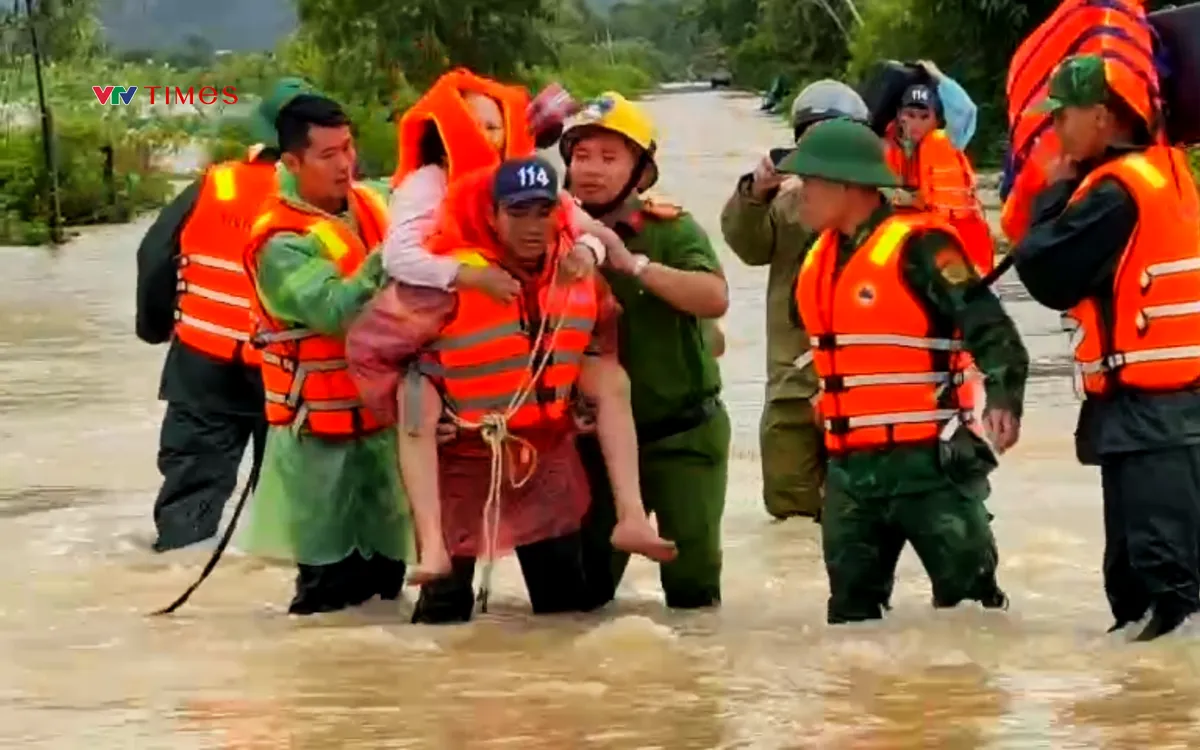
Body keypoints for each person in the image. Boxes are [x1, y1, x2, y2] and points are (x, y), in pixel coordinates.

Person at [346, 156, 676, 623]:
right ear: (493, 215)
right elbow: (370, 348)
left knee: (563, 611)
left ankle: (632, 518)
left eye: (542, 212)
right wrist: (403, 413)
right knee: (443, 612)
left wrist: (579, 400)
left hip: (541, 462)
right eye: (517, 213)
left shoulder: (579, 271)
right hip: (460, 460)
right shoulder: (446, 279)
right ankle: (434, 549)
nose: (532, 226)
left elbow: (602, 333)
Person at [780, 118, 1028, 624]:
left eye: (810, 182)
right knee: (851, 622)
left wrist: (1004, 397)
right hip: (851, 472)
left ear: (848, 186)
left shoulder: (925, 248)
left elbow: (991, 329)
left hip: (931, 464)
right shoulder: (819, 258)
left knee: (972, 614)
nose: (799, 194)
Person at [1010, 54, 1200, 642]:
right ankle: (1145, 722)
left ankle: (1164, 724)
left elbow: (1044, 270)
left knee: (1165, 598)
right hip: (1162, 415)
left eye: (1061, 116)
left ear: (1101, 117)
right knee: (1146, 598)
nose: (1054, 131)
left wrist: (1056, 190)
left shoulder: (1114, 193)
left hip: (1153, 422)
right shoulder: (1166, 169)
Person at [239, 92, 413, 615]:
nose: (345, 164)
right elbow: (335, 309)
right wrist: (396, 252)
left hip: (381, 431)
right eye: (328, 155)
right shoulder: (279, 241)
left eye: (348, 148)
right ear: (291, 162)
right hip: (319, 436)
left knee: (389, 583)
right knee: (328, 593)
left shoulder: (375, 204)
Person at [561, 92, 732, 610]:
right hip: (593, 445)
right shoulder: (543, 233)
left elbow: (715, 297)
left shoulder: (671, 230)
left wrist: (631, 264)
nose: (590, 170)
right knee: (579, 598)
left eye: (610, 158)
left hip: (681, 436)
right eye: (581, 155)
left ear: (641, 171)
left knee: (693, 593)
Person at [133, 78, 310, 551]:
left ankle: (179, 590)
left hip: (202, 366)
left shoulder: (214, 185)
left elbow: (154, 257)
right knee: (297, 508)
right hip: (292, 377)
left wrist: (154, 327)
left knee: (191, 500)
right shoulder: (330, 201)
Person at [720, 79, 869, 522]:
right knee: (791, 512)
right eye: (813, 138)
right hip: (793, 381)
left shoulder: (888, 203)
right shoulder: (784, 205)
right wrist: (754, 192)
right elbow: (747, 246)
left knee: (866, 511)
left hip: (867, 386)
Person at [383, 69, 594, 303]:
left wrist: (587, 251)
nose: (481, 136)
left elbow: (588, 227)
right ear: (445, 132)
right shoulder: (426, 183)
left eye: (492, 128)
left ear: (508, 134)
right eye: (471, 125)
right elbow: (397, 258)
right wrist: (470, 276)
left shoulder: (521, 174)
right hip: (443, 310)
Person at [884, 83, 996, 274]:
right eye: (910, 115)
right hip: (930, 247)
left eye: (924, 117)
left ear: (936, 120)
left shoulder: (944, 142)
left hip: (963, 250)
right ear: (900, 116)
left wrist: (938, 77)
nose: (916, 123)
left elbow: (967, 111)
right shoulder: (893, 149)